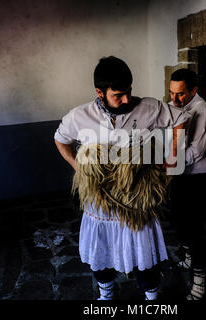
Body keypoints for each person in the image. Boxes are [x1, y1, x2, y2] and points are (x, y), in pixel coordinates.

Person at [54, 56, 189, 300]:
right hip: (101, 202)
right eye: (118, 95)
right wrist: (80, 168)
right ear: (100, 92)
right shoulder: (79, 116)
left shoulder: (150, 107)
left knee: (143, 254)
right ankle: (106, 293)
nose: (127, 99)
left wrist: (172, 157)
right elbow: (60, 138)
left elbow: (181, 119)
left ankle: (151, 296)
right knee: (101, 251)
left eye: (129, 91)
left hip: (136, 198)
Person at [168, 68, 206, 300]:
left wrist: (166, 164)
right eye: (171, 93)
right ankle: (189, 258)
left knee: (194, 227)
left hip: (199, 177)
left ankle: (199, 279)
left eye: (180, 94)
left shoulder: (203, 112)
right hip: (181, 173)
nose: (174, 98)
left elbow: (195, 152)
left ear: (194, 90)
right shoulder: (180, 108)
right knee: (178, 220)